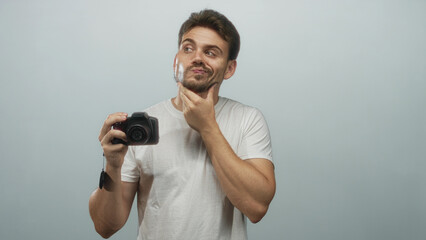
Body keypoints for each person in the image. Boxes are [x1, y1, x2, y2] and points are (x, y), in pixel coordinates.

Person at [89, 9, 276, 240]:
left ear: (229, 68)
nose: (197, 57)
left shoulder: (248, 119)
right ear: (176, 60)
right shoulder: (144, 125)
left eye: (211, 52)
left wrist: (207, 126)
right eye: (188, 48)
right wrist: (112, 166)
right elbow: (105, 226)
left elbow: (257, 207)